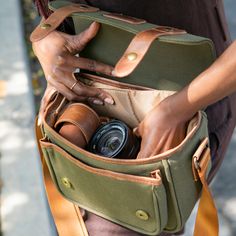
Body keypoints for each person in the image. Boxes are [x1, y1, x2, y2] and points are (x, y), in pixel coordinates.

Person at [32, 0, 236, 235]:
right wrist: (45, 36)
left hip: (187, 101)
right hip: (86, 93)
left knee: (146, 215)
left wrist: (177, 110)